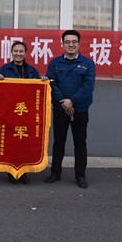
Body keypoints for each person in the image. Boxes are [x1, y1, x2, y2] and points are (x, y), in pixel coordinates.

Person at [44, 30, 96, 189]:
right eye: (67, 42)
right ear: (62, 44)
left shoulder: (88, 63)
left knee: (80, 143)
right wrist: (64, 103)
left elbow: (88, 87)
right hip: (60, 110)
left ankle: (80, 176)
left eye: (74, 42)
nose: (71, 45)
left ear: (79, 44)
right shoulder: (55, 63)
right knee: (58, 142)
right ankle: (55, 173)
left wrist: (72, 101)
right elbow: (51, 84)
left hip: (80, 110)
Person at [0, 41, 42, 185]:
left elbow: (39, 89)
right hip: (10, 112)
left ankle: (23, 172)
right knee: (11, 142)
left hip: (26, 113)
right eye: (15, 51)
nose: (18, 54)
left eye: (21, 51)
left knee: (24, 142)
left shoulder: (32, 70)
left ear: (25, 53)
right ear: (11, 52)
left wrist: (43, 81)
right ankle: (11, 172)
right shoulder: (5, 68)